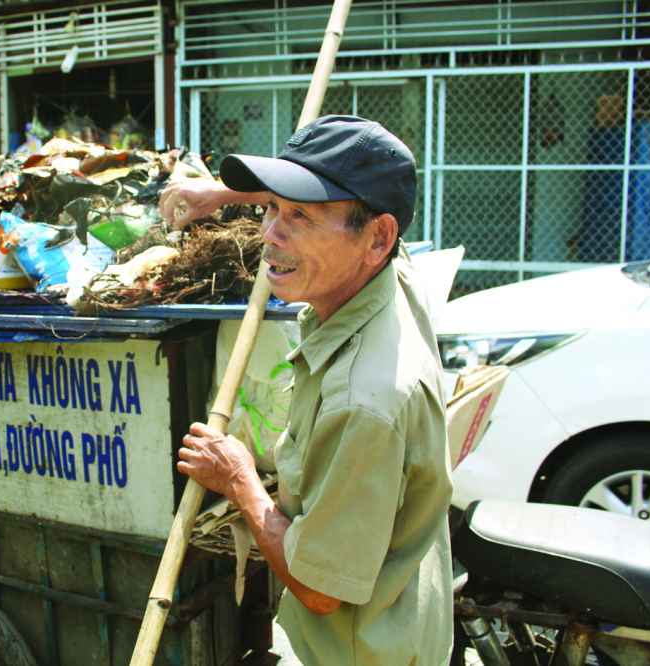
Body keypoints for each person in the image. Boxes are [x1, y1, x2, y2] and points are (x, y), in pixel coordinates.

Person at [164, 115, 453, 666]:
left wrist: (240, 480)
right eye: (271, 206)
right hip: (411, 623)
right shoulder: (393, 275)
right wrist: (219, 194)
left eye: (300, 215)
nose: (270, 232)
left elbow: (322, 590)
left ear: (378, 237)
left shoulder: (363, 401)